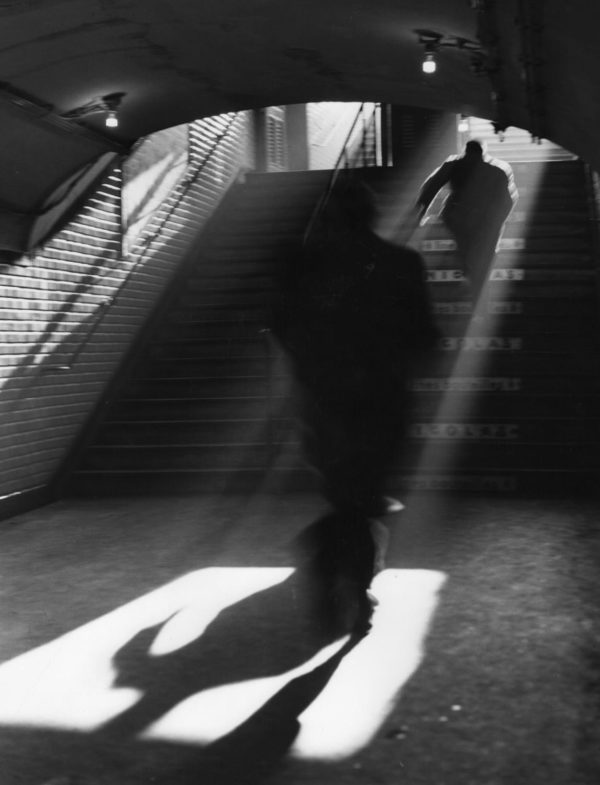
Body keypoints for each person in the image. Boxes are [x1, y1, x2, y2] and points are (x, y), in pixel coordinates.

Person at [271, 175, 437, 633]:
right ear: (373, 214)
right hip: (383, 400)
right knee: (362, 499)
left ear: (329, 215)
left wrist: (313, 370)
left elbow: (280, 324)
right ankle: (346, 578)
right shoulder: (402, 264)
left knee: (347, 496)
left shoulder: (302, 264)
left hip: (325, 401)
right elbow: (425, 337)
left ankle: (335, 572)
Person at [416, 139, 518, 299]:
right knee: (480, 251)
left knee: (466, 249)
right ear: (482, 154)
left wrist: (420, 213)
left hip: (458, 218)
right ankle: (477, 285)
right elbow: (508, 201)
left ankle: (470, 278)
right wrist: (496, 223)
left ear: (466, 151)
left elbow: (431, 186)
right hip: (483, 220)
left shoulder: (454, 165)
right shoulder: (496, 171)